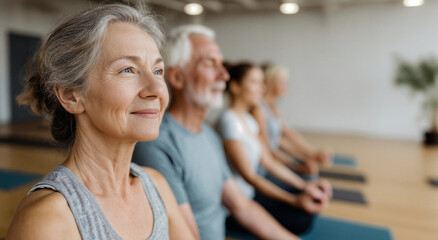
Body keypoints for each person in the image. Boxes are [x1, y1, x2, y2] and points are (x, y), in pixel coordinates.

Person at [6, 4, 194, 240]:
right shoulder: (49, 218)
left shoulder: (156, 186)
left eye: (157, 71)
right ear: (71, 95)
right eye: (128, 69)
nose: (157, 89)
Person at [133, 25, 300, 240]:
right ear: (177, 78)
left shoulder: (209, 136)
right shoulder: (157, 144)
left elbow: (241, 205)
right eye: (210, 64)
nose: (224, 75)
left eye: (221, 64)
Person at [216, 62, 331, 234]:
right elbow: (250, 176)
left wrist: (304, 185)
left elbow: (268, 161)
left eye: (262, 83)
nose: (262, 89)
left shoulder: (248, 120)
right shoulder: (228, 122)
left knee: (310, 201)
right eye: (255, 82)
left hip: (252, 193)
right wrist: (293, 200)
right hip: (238, 203)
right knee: (302, 219)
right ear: (235, 87)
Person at [252, 65, 332, 175]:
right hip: (266, 166)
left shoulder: (273, 107)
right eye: (282, 82)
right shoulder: (259, 109)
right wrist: (297, 166)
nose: (286, 86)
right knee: (309, 177)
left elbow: (287, 136)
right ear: (270, 83)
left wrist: (312, 153)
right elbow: (269, 149)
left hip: (274, 160)